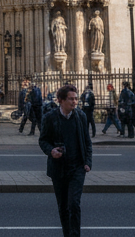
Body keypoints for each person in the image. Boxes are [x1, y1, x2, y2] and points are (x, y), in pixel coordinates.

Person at [39, 84, 93, 237]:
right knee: (63, 207)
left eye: (76, 99)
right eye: (71, 99)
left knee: (74, 204)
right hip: (58, 168)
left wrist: (88, 162)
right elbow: (43, 140)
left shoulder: (80, 116)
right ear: (60, 100)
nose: (74, 102)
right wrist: (51, 151)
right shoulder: (50, 117)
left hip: (77, 167)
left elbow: (87, 142)